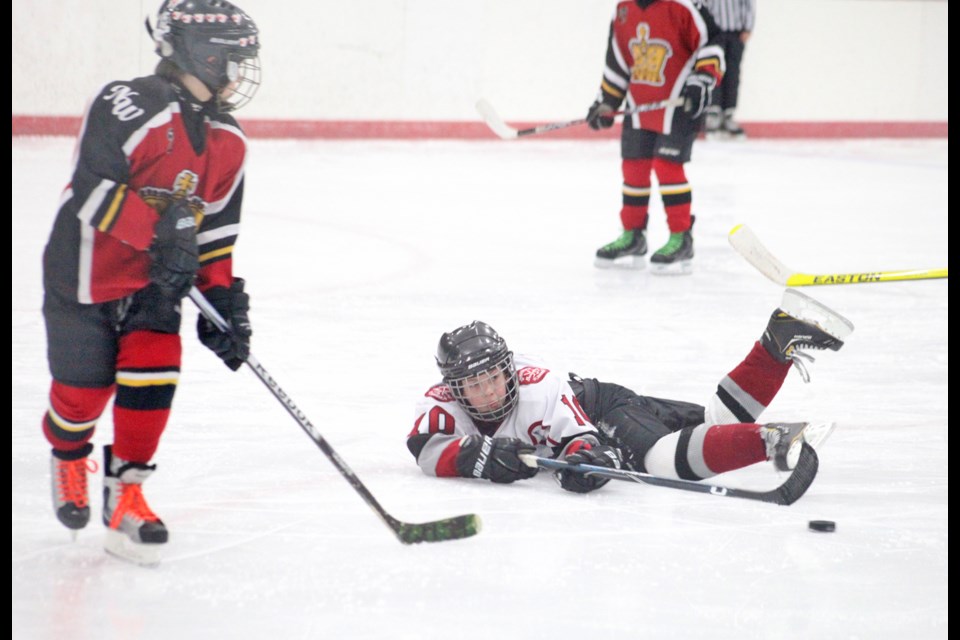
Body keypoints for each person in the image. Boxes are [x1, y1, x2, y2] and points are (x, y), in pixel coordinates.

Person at [41, 0, 261, 566]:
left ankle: (127, 494)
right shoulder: (126, 101)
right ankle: (68, 454)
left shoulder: (229, 140)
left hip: (152, 285)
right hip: (83, 273)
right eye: (231, 59)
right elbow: (88, 190)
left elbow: (214, 237)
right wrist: (161, 233)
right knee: (82, 398)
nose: (238, 74)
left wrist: (222, 304)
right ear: (199, 53)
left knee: (155, 372)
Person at [406, 289, 853, 494]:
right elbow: (425, 448)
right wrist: (478, 459)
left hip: (600, 408)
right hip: (608, 402)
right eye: (473, 384)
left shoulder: (538, 386)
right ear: (454, 389)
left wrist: (587, 463)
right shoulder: (441, 404)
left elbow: (587, 441)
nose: (487, 391)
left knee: (659, 460)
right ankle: (777, 344)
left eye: (493, 377)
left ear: (508, 368)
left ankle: (773, 440)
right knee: (719, 428)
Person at [588, 0, 726, 274]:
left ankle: (681, 237)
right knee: (633, 169)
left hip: (680, 107)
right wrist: (606, 103)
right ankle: (633, 235)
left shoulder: (686, 6)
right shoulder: (623, 10)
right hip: (639, 107)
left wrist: (701, 81)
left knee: (667, 167)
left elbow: (713, 45)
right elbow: (617, 61)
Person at [702, 0, 755, 139]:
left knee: (733, 75)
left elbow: (749, 3)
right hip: (713, 31)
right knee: (713, 71)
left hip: (735, 32)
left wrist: (748, 27)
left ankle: (728, 115)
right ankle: (713, 114)